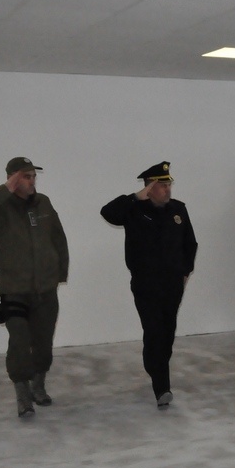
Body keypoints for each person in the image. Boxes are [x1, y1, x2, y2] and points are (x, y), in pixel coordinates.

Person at [0, 157, 69, 418]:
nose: (32, 181)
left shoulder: (43, 203)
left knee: (43, 342)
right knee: (20, 342)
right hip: (14, 290)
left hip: (45, 289)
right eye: (26, 176)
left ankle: (39, 385)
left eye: (34, 176)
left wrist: (59, 273)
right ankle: (22, 394)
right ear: (13, 178)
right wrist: (4, 190)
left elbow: (58, 237)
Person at [100, 162, 197, 409]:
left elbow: (190, 243)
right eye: (162, 185)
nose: (167, 190)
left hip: (173, 283)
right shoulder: (134, 209)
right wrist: (134, 197)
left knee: (167, 331)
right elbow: (108, 212)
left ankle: (154, 365)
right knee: (154, 329)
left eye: (169, 185)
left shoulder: (178, 210)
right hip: (146, 283)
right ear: (149, 187)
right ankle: (161, 386)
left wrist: (185, 271)